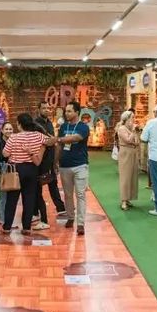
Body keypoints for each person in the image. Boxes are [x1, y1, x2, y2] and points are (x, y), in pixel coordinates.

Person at [1, 113, 48, 235]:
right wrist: (38, 149)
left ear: (19, 124)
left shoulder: (14, 137)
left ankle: (7, 227)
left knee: (12, 199)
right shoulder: (39, 136)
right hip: (32, 169)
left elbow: (5, 153)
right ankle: (26, 227)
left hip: (16, 170)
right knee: (29, 198)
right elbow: (50, 141)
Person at [56, 101, 90, 236]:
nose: (67, 113)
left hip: (80, 165)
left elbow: (77, 137)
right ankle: (70, 217)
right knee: (68, 194)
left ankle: (81, 223)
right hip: (64, 165)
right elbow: (59, 147)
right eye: (66, 111)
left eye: (70, 111)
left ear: (77, 112)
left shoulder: (83, 127)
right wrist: (55, 162)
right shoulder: (63, 127)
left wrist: (59, 139)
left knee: (80, 194)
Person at [34, 101, 67, 220]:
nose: (46, 110)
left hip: (50, 158)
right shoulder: (35, 124)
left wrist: (55, 160)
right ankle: (35, 212)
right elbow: (43, 141)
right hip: (39, 159)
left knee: (53, 183)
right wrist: (51, 141)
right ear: (39, 109)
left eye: (48, 108)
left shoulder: (49, 123)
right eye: (44, 108)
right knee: (37, 187)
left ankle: (61, 208)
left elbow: (52, 141)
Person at [117, 110, 139, 211]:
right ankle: (123, 200)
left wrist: (135, 133)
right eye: (132, 117)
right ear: (127, 118)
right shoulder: (121, 128)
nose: (134, 119)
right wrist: (134, 132)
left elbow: (137, 142)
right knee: (125, 176)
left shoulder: (131, 129)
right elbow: (128, 140)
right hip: (125, 153)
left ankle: (128, 198)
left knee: (132, 176)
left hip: (133, 153)